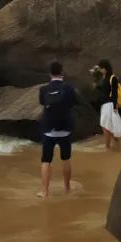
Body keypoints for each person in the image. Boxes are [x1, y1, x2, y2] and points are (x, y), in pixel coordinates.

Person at [37, 60, 77, 199]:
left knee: (46, 160)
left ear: (50, 74)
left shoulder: (43, 89)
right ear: (62, 72)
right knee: (66, 159)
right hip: (65, 129)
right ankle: (67, 188)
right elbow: (73, 103)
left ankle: (44, 191)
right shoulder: (69, 88)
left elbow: (42, 102)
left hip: (49, 129)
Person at [95, 59, 121, 150]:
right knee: (109, 126)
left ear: (106, 68)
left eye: (102, 68)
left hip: (110, 105)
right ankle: (118, 144)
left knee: (105, 126)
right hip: (104, 105)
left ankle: (107, 147)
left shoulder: (112, 78)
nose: (100, 70)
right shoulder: (103, 78)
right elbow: (102, 91)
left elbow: (114, 92)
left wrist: (115, 106)